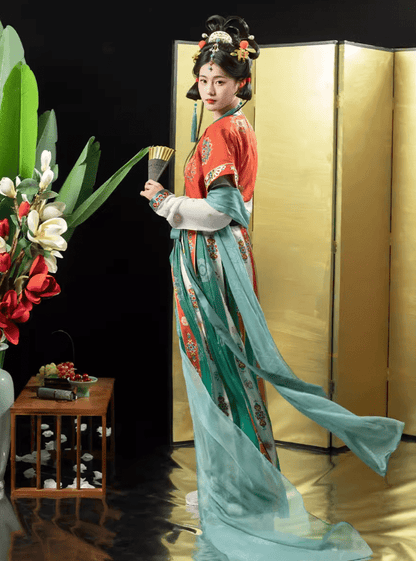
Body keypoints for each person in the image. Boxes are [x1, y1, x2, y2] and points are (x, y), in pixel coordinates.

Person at [141, 14, 404, 561]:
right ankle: (239, 487)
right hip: (229, 256)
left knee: (215, 368)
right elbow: (241, 206)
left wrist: (164, 202)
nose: (210, 90)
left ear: (240, 83)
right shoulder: (240, 128)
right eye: (204, 80)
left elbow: (219, 212)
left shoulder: (220, 133)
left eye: (220, 80)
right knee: (231, 368)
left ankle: (232, 493)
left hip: (211, 258)